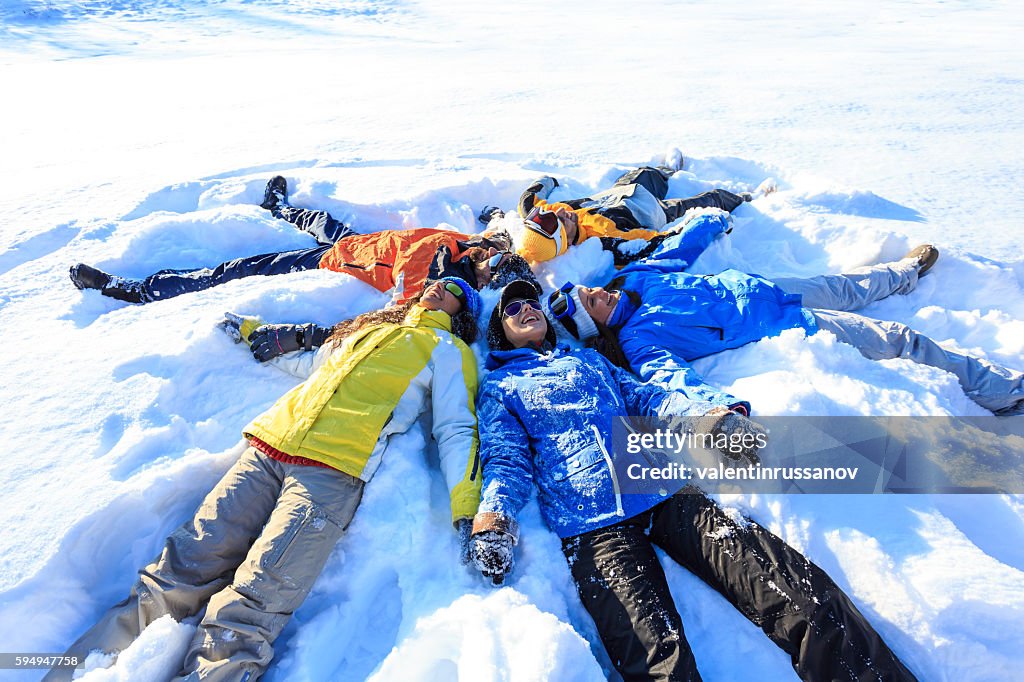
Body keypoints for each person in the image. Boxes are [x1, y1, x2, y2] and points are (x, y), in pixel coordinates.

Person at [468, 280, 916, 682]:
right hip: (591, 524)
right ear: (499, 332)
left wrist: (708, 422)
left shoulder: (590, 362)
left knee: (795, 594)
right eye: (512, 309)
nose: (525, 309)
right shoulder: (502, 385)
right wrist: (494, 518)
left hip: (666, 491)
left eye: (531, 302)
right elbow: (505, 458)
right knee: (660, 665)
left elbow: (649, 399)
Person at [47, 277, 484, 682]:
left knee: (256, 599)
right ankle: (71, 672)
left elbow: (456, 428)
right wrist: (256, 331)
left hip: (333, 470)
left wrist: (467, 507)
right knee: (181, 568)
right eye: (434, 281)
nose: (436, 286)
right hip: (268, 447)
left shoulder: (448, 350)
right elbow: (313, 362)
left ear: (464, 309)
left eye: (452, 288)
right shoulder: (365, 330)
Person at [547, 212, 1024, 415]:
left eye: (590, 290)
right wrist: (713, 409)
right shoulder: (639, 341)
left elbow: (680, 249)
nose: (597, 293)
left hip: (769, 289)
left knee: (849, 285)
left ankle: (905, 272)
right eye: (593, 303)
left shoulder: (636, 279)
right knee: (897, 337)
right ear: (598, 326)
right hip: (785, 324)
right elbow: (669, 378)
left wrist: (710, 220)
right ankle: (1001, 389)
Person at [68, 176, 536, 304]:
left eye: (490, 266)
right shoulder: (482, 247)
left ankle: (135, 290)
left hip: (334, 261)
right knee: (316, 216)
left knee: (234, 270)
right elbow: (500, 231)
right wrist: (494, 219)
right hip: (369, 240)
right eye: (493, 256)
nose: (486, 256)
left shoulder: (439, 272)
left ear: (480, 277)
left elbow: (407, 296)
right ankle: (279, 208)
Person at [481, 162, 774, 263]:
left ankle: (667, 169)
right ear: (564, 241)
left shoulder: (547, 214)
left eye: (554, 215)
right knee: (707, 200)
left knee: (646, 173)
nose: (561, 213)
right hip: (648, 210)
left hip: (619, 192)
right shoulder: (603, 240)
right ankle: (746, 197)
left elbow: (528, 202)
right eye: (560, 223)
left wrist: (547, 182)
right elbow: (650, 241)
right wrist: (686, 230)